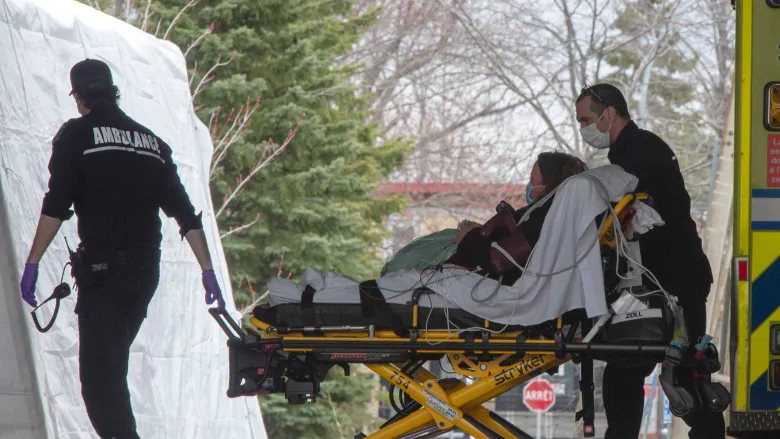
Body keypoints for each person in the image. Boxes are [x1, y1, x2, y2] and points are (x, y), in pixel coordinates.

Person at [19, 58, 227, 439]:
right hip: (145, 275)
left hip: (105, 275)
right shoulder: (152, 143)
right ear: (112, 90)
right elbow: (186, 215)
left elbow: (56, 206)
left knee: (100, 386)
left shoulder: (76, 137)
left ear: (79, 97)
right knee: (112, 374)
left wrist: (32, 262)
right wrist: (207, 271)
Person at [574, 83, 724, 438]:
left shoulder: (638, 154)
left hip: (671, 282)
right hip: (670, 279)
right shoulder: (636, 151)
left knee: (657, 369)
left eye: (586, 119)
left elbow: (637, 218)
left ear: (609, 113)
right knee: (668, 369)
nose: (583, 128)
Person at [448, 151, 587, 285]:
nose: (528, 186)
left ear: (547, 188)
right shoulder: (554, 215)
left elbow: (497, 260)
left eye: (532, 181)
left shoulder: (543, 221)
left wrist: (467, 238)